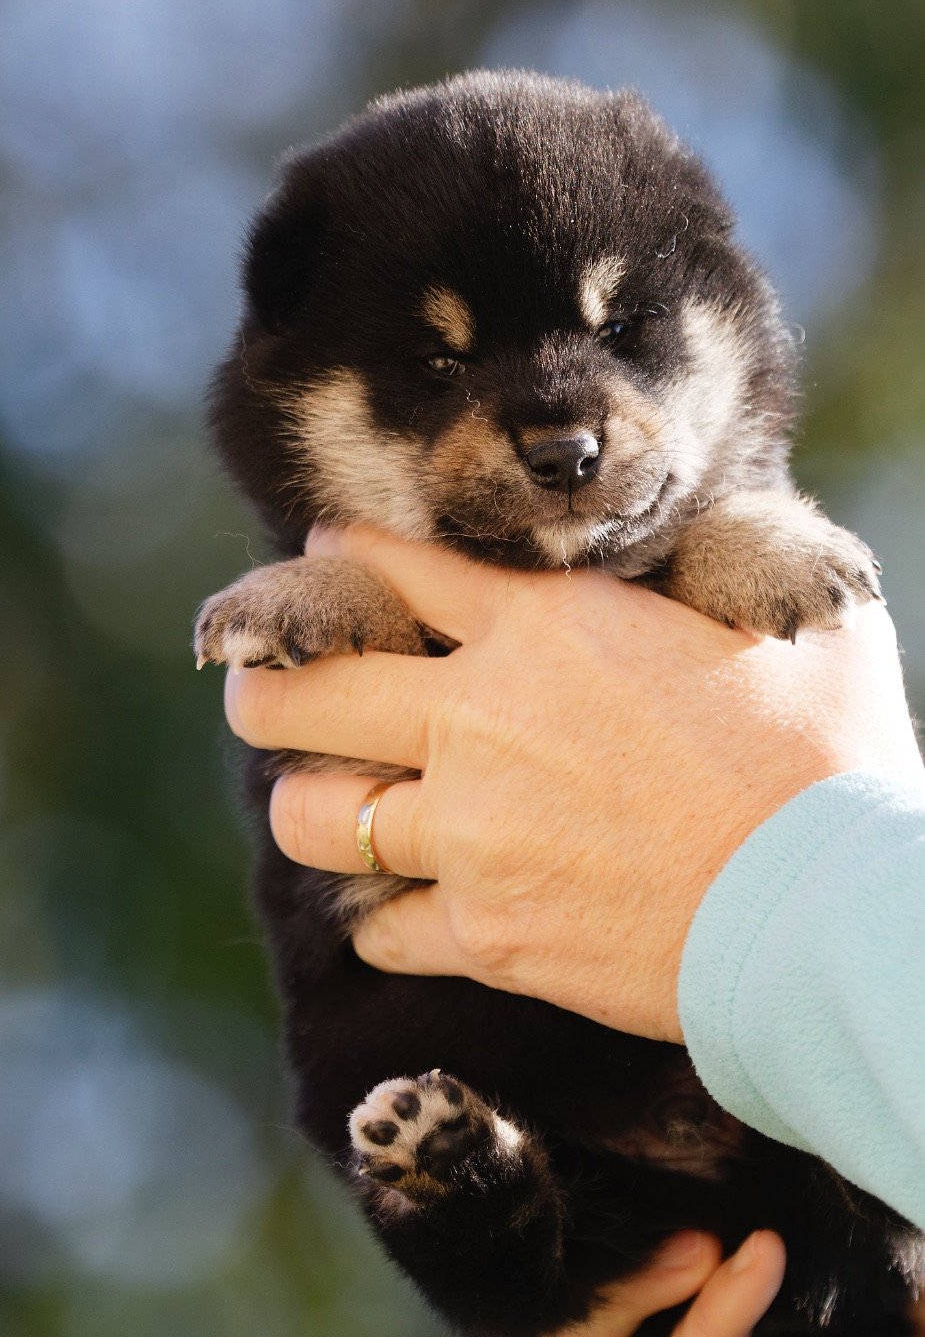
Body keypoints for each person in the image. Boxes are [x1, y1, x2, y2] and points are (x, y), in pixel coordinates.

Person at [223, 524, 925, 1334]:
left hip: (812, 1203)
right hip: (616, 1180)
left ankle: (483, 1204)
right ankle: (485, 1203)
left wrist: (785, 874)